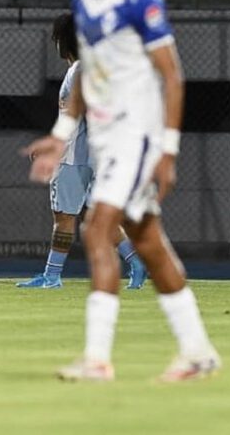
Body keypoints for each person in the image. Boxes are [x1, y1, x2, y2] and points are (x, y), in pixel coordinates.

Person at [23, 0, 220, 382]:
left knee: (96, 230)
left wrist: (168, 150)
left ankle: (97, 360)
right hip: (108, 139)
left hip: (139, 135)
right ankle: (198, 353)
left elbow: (171, 75)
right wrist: (61, 136)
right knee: (148, 242)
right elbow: (88, 71)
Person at [17, 14, 147, 290]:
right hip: (96, 157)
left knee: (63, 217)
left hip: (74, 156)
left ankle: (52, 276)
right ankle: (136, 262)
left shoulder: (79, 69)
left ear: (64, 41)